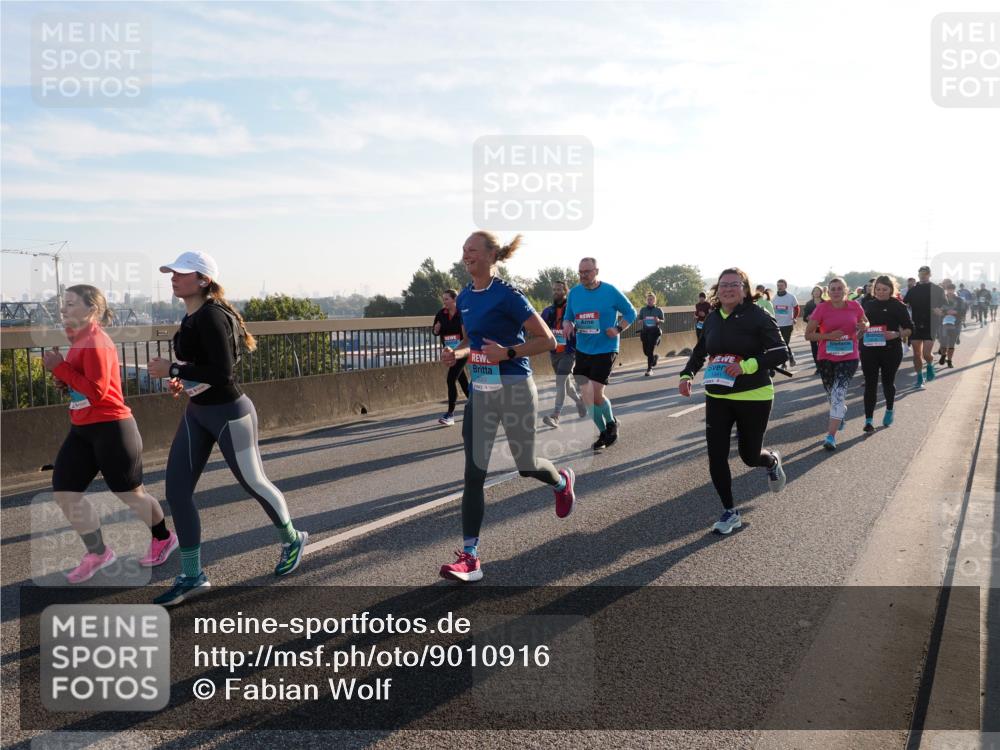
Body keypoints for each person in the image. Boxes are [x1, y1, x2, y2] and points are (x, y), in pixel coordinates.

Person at [148, 251, 307, 606]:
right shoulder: (190, 317)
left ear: (203, 280)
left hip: (230, 413)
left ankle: (292, 538)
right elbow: (198, 366)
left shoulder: (211, 317)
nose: (174, 277)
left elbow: (222, 373)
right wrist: (182, 378)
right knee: (176, 490)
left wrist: (173, 370)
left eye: (182, 273)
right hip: (198, 413)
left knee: (254, 482)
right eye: (172, 272)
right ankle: (192, 576)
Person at [439, 232, 577, 583]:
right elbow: (472, 339)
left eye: (472, 249)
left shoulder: (509, 295)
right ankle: (470, 555)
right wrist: (458, 352)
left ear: (491, 255)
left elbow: (547, 339)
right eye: (463, 249)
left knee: (526, 466)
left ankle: (561, 482)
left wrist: (508, 352)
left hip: (515, 388)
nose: (465, 254)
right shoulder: (467, 295)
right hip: (482, 392)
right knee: (474, 472)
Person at [41, 285, 178, 583]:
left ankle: (163, 538)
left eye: (71, 304)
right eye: (63, 304)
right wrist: (65, 378)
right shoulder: (78, 341)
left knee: (130, 494)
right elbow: (84, 386)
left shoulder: (96, 341)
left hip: (111, 427)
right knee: (65, 491)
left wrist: (60, 369)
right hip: (81, 429)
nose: (64, 309)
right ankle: (99, 553)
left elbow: (100, 393)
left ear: (91, 309)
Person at [678, 268, 787, 535]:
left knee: (750, 456)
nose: (728, 289)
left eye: (734, 285)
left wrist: (747, 366)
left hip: (754, 395)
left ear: (744, 288)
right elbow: (702, 349)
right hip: (717, 396)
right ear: (717, 289)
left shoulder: (758, 315)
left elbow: (780, 352)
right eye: (723, 285)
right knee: (716, 456)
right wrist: (687, 373)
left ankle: (771, 461)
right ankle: (729, 511)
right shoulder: (714, 317)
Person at [563, 257, 637, 451]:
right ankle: (605, 430)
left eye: (587, 272)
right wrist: (567, 324)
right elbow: (568, 317)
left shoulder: (610, 291)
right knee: (587, 397)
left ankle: (611, 423)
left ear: (596, 271)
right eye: (580, 272)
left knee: (595, 393)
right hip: (583, 349)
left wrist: (618, 328)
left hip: (605, 348)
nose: (583, 276)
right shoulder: (574, 293)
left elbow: (631, 313)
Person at [805, 277, 868, 451]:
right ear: (828, 291)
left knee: (839, 393)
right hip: (826, 357)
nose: (836, 291)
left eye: (839, 288)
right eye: (832, 289)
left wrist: (864, 325)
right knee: (831, 395)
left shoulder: (854, 306)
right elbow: (808, 335)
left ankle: (830, 436)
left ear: (846, 290)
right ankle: (840, 411)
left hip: (849, 356)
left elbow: (866, 321)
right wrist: (828, 336)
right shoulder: (821, 308)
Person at [860, 276, 913, 431]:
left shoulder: (898, 306)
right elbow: (860, 325)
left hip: (891, 350)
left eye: (884, 289)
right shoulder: (867, 305)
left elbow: (910, 329)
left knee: (887, 383)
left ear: (891, 290)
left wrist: (896, 334)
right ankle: (868, 421)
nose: (881, 292)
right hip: (869, 349)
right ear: (873, 289)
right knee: (870, 384)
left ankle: (889, 409)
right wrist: (861, 327)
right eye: (878, 289)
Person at [540, 280, 586, 428]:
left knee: (560, 381)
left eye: (559, 289)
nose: (556, 292)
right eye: (554, 290)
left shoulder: (573, 309)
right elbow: (540, 328)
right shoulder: (548, 311)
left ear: (566, 292)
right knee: (565, 384)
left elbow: (584, 326)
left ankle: (555, 416)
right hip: (554, 352)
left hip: (569, 352)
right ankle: (579, 401)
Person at [903, 265, 945, 389]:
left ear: (930, 274)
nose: (923, 275)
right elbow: (904, 304)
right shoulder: (913, 290)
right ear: (918, 274)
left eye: (925, 273)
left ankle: (930, 364)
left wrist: (941, 311)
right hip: (915, 324)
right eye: (921, 273)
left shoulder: (937, 289)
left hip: (931, 325)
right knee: (917, 354)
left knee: (926, 354)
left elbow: (946, 306)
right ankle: (920, 378)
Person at [433, 289, 469, 426]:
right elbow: (435, 331)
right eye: (443, 299)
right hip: (448, 350)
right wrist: (436, 330)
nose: (444, 302)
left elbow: (467, 334)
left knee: (451, 379)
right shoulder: (441, 314)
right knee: (462, 380)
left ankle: (450, 414)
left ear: (455, 300)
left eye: (447, 299)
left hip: (462, 350)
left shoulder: (462, 313)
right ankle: (475, 406)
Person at [772, 279, 800, 367]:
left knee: (785, 343)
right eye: (778, 285)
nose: (779, 287)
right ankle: (787, 360)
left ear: (785, 286)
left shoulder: (791, 297)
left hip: (788, 324)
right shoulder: (774, 298)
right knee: (781, 344)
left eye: (781, 285)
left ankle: (787, 360)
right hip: (777, 324)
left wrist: (794, 318)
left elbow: (797, 308)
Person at [937, 284, 965, 368]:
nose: (950, 291)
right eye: (948, 289)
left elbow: (964, 311)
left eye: (952, 289)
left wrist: (956, 312)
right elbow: (936, 311)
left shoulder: (960, 300)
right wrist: (945, 312)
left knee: (952, 343)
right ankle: (943, 355)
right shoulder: (941, 300)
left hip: (956, 324)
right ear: (946, 289)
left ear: (954, 290)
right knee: (943, 343)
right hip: (943, 324)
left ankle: (949, 361)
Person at [638, 291, 664, 376]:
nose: (649, 301)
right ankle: (654, 358)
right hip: (645, 332)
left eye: (651, 299)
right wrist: (641, 321)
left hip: (654, 332)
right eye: (648, 299)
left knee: (650, 350)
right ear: (646, 300)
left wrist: (659, 320)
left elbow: (663, 321)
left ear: (654, 301)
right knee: (646, 352)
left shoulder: (658, 310)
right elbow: (639, 320)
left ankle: (649, 369)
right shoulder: (643, 310)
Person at [801, 286, 825, 370]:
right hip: (812, 329)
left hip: (823, 329)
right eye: (815, 291)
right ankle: (818, 366)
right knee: (814, 348)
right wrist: (808, 317)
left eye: (818, 291)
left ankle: (824, 364)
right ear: (812, 293)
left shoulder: (825, 303)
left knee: (823, 347)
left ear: (821, 292)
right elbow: (804, 317)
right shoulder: (809, 304)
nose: (816, 292)